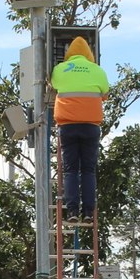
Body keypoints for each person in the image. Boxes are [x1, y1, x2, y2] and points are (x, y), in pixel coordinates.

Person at [51, 36, 110, 222]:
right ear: (89, 53)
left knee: (70, 170)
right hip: (91, 126)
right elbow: (105, 94)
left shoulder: (60, 69)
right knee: (88, 170)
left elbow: (53, 86)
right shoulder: (97, 70)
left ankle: (73, 212)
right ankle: (88, 212)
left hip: (67, 126)